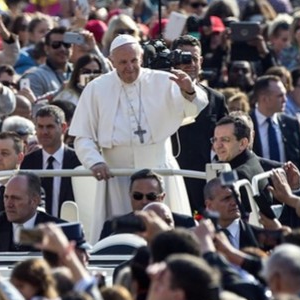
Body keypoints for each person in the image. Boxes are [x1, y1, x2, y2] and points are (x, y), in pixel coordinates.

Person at [69, 34, 208, 234]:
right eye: (123, 62)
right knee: (120, 235)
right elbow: (83, 136)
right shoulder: (96, 89)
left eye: (134, 60)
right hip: (117, 176)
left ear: (141, 58)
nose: (130, 67)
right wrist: (95, 161)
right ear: (112, 62)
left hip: (159, 172)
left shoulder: (164, 80)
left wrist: (189, 90)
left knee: (169, 235)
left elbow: (195, 108)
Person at [170, 35, 228, 212]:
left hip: (202, 181)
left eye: (194, 58)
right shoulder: (158, 95)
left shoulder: (215, 99)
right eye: (184, 58)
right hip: (169, 176)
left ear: (201, 61)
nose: (190, 64)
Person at [0, 171, 65, 252]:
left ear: (34, 201)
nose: (8, 204)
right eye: (6, 197)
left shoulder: (57, 230)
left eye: (15, 198)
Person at [250, 75, 300, 187]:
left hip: (290, 192)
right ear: (264, 99)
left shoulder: (291, 123)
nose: (285, 99)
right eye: (280, 96)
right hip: (259, 192)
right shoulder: (247, 125)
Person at [99, 169, 196, 240]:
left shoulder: (185, 224)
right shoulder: (113, 226)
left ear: (162, 198)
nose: (144, 201)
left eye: (151, 196)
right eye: (137, 196)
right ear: (130, 196)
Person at [21, 105, 81, 217]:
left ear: (63, 127)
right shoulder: (29, 162)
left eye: (50, 127)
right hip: (38, 230)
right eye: (40, 127)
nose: (44, 132)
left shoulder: (78, 161)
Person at [203, 178, 259, 249]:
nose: (235, 202)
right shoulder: (201, 239)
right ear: (209, 205)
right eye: (227, 198)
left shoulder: (259, 237)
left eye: (237, 196)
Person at [212, 112, 264, 182]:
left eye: (225, 139)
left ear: (242, 143)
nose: (217, 146)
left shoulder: (239, 174)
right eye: (215, 140)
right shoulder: (250, 161)